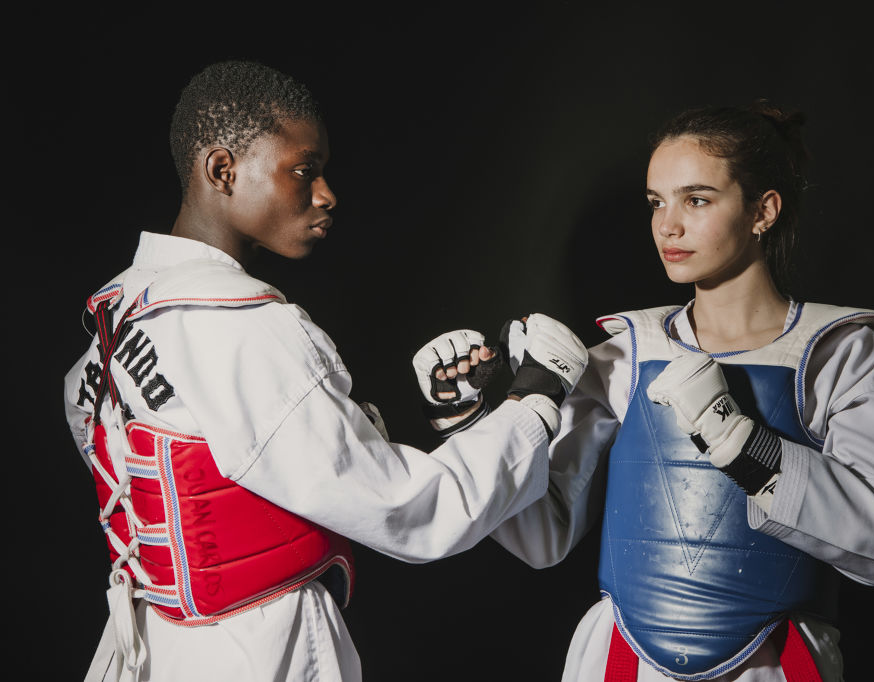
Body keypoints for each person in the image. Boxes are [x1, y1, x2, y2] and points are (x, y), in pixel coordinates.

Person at [63, 59, 589, 682]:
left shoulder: (116, 312)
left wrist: (456, 418)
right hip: (259, 649)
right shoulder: (240, 325)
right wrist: (533, 400)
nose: (326, 193)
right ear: (222, 171)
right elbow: (409, 511)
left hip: (146, 650)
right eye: (303, 170)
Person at [415, 101, 874, 681]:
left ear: (763, 210)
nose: (667, 226)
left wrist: (746, 445)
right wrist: (471, 417)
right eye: (657, 202)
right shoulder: (627, 353)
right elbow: (543, 535)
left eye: (696, 200)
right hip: (625, 661)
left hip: (770, 664)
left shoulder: (836, 351)